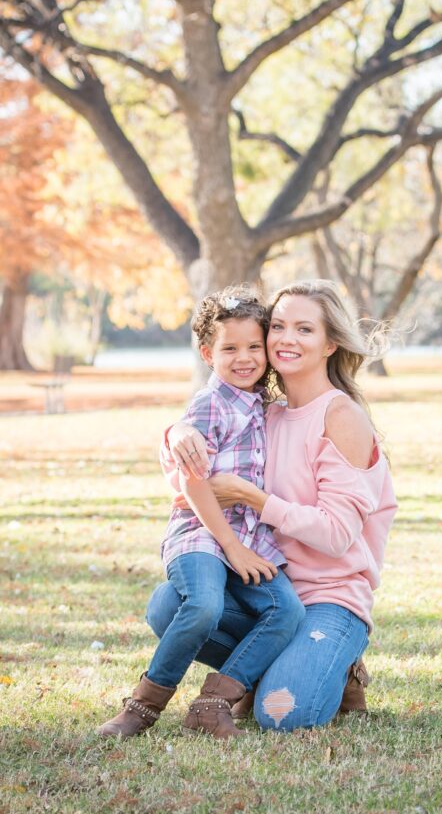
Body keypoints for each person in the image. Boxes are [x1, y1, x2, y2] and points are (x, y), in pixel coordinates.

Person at [150, 279, 397, 732]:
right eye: (278, 326)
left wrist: (252, 498)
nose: (286, 338)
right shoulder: (265, 412)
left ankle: (336, 667)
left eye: (304, 329)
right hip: (265, 589)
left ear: (330, 343)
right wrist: (177, 434)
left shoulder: (341, 417)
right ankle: (273, 666)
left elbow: (337, 535)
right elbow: (194, 470)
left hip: (328, 597)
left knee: (283, 714)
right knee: (169, 605)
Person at [96, 287, 305, 741]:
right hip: (202, 537)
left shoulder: (263, 405)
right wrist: (231, 547)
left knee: (286, 611)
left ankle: (214, 704)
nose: (244, 358)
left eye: (254, 346)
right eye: (230, 348)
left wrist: (243, 546)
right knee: (204, 604)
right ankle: (143, 706)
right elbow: (193, 481)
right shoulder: (209, 406)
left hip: (249, 541)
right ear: (208, 352)